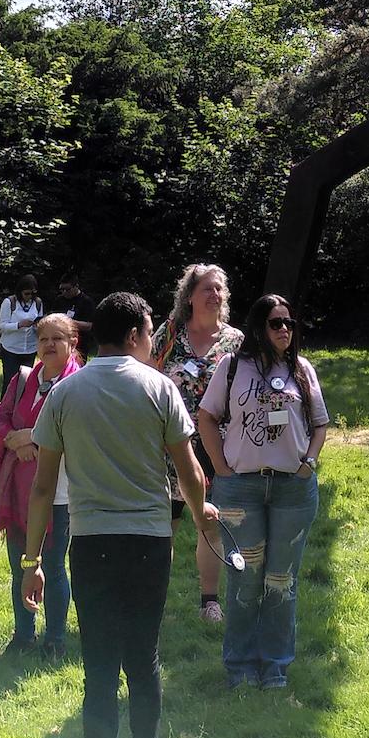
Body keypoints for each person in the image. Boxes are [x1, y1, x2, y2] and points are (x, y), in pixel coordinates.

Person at [23, 292, 218, 738]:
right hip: (148, 543)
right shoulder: (158, 387)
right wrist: (200, 513)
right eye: (150, 332)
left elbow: (42, 488)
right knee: (143, 658)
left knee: (100, 666)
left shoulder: (63, 393)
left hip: (90, 543)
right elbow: (189, 471)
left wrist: (32, 560)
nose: (152, 342)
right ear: (133, 335)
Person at [197, 292, 330, 689]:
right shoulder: (232, 367)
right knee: (245, 580)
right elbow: (206, 417)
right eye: (276, 323)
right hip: (241, 490)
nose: (285, 329)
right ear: (258, 327)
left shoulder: (301, 369)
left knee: (281, 581)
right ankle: (239, 666)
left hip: (293, 489)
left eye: (290, 323)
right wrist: (222, 469)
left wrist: (309, 462)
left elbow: (320, 423)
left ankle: (275, 666)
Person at [149, 262, 242, 623]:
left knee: (209, 522)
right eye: (207, 288)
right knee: (163, 524)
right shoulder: (168, 335)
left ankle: (209, 602)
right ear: (189, 296)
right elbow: (146, 376)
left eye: (219, 289)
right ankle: (154, 598)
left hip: (217, 445)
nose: (215, 295)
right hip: (168, 444)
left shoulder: (236, 341)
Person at [0, 312, 80, 658]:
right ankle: (23, 635)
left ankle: (54, 639)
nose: (50, 345)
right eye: (43, 339)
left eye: (58, 338)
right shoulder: (24, 379)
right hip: (19, 491)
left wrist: (35, 439)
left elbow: (77, 432)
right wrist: (13, 438)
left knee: (53, 568)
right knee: (21, 565)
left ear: (72, 343)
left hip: (59, 494)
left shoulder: (78, 383)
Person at [0, 274, 44, 395]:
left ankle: (21, 411)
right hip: (11, 349)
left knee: (26, 382)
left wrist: (37, 326)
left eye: (32, 294)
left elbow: (39, 323)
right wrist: (19, 325)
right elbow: (1, 327)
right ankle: (4, 411)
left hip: (30, 349)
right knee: (10, 383)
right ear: (20, 291)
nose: (29, 297)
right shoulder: (9, 302)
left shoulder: (37, 303)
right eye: (26, 293)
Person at [56, 273, 98, 349]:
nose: (64, 292)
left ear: (76, 286)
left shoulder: (86, 301)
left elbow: (90, 326)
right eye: (62, 289)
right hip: (61, 342)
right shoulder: (59, 300)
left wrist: (69, 322)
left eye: (68, 289)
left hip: (80, 344)